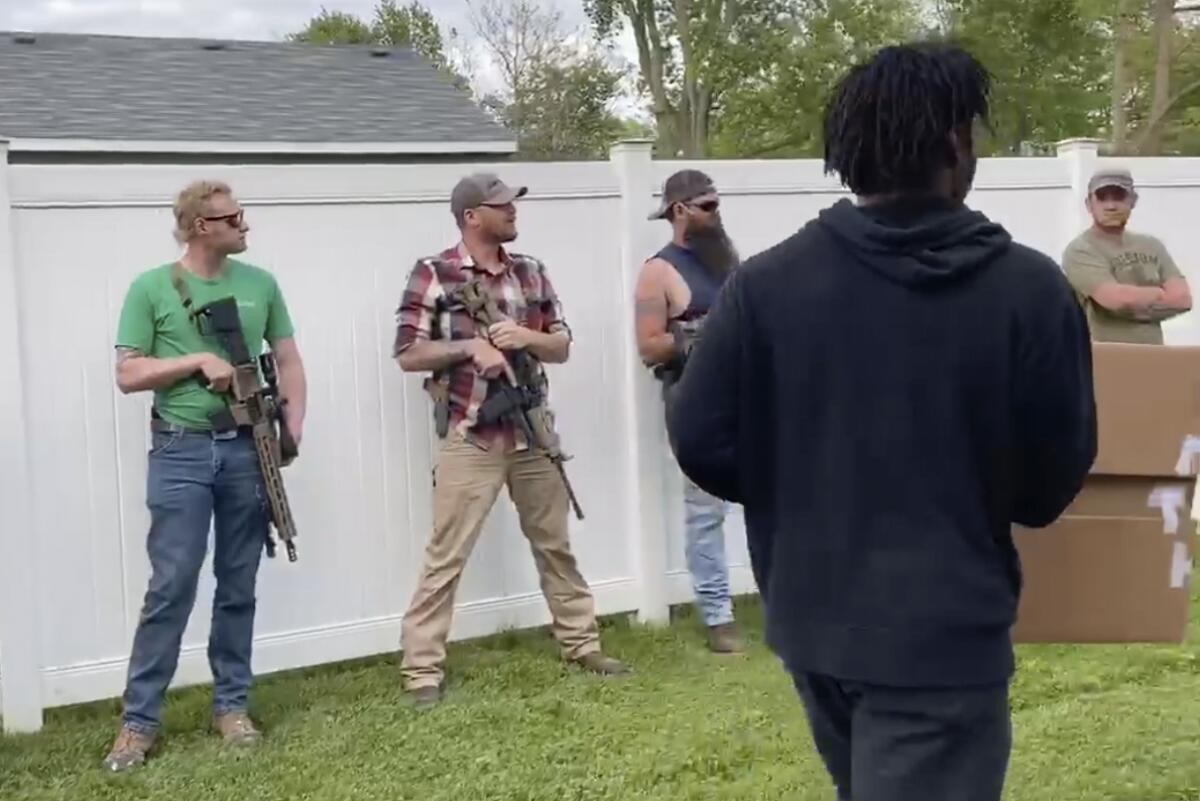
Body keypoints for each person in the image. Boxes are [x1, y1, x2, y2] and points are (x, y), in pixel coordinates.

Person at [664, 43, 1096, 801]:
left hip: (813, 622)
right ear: (958, 144)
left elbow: (699, 436)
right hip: (944, 636)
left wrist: (798, 492)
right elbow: (1049, 483)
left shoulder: (765, 284)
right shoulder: (1029, 290)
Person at [393, 172, 631, 709]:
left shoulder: (532, 271)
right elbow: (408, 353)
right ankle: (421, 671)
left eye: (513, 203)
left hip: (532, 432)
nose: (513, 211)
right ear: (471, 216)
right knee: (445, 558)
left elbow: (562, 345)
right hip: (470, 435)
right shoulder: (434, 273)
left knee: (555, 546)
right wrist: (469, 348)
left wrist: (528, 338)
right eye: (502, 205)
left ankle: (582, 644)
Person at [104, 180, 307, 771]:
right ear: (202, 226)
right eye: (234, 217)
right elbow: (127, 372)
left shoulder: (260, 284)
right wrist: (196, 359)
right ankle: (138, 724)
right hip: (180, 451)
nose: (246, 225)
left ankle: (232, 708)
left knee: (239, 582)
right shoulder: (151, 288)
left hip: (248, 450)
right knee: (171, 586)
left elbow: (290, 361)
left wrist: (290, 429)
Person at [633, 169, 744, 654]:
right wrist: (697, 340)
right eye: (708, 206)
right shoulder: (658, 271)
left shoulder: (726, 262)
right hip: (695, 399)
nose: (716, 215)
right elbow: (649, 345)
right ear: (680, 210)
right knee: (705, 510)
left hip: (745, 392)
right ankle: (718, 615)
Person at [1062, 166, 1191, 343]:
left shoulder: (1152, 245)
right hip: (1106, 358)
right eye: (1102, 198)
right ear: (1089, 204)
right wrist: (1159, 294)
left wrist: (1132, 301)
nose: (1111, 206)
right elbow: (1115, 300)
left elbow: (1183, 299)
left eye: (1119, 197)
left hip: (1154, 357)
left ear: (1133, 200)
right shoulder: (1081, 249)